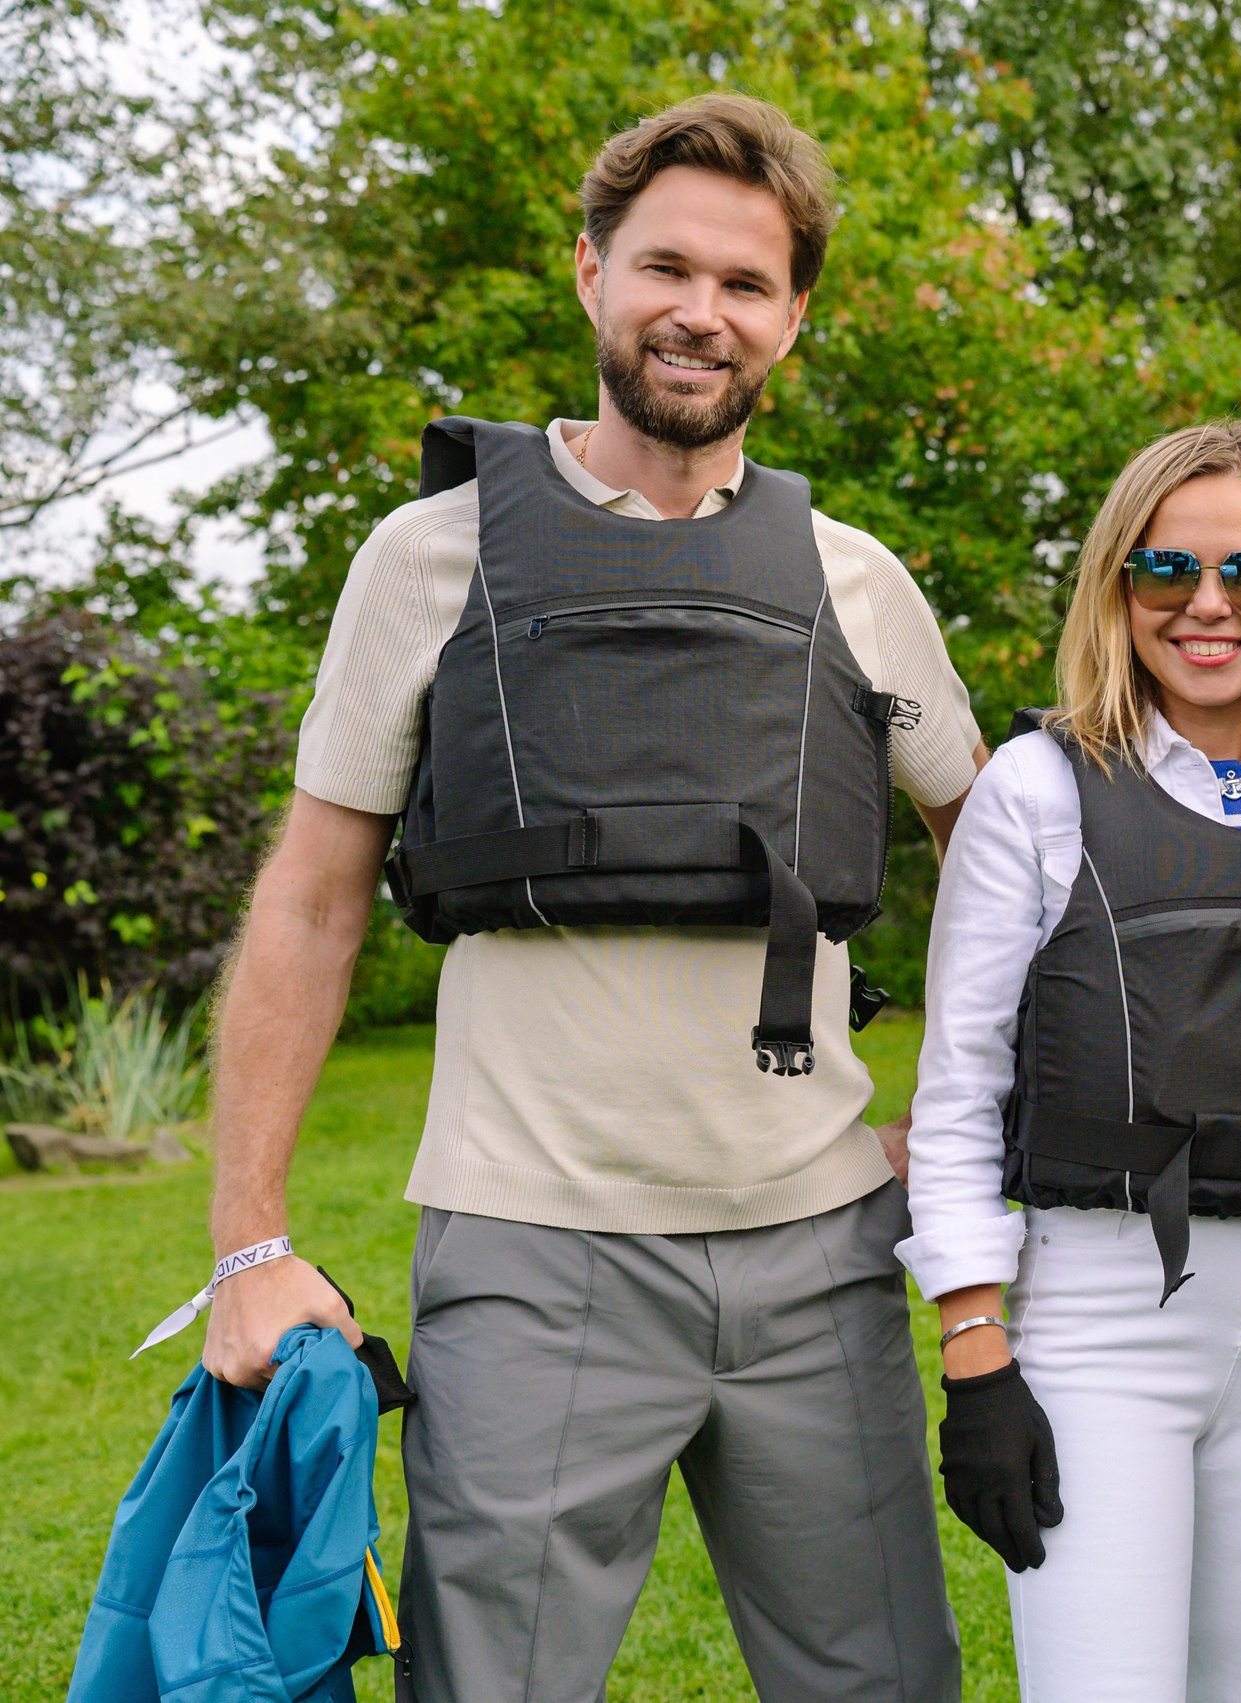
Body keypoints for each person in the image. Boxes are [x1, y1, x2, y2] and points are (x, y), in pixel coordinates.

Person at [199, 95, 988, 1701]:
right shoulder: (424, 561)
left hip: (818, 1248)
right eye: (665, 266)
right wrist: (244, 1243)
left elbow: (1001, 862)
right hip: (527, 1246)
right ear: (589, 275)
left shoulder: (858, 578)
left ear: (793, 318)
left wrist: (959, 1121)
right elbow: (309, 902)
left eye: (747, 283)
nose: (702, 310)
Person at [896, 422, 1241, 1703]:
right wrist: (975, 1349)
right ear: (1117, 586)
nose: (1210, 606)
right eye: (1167, 571)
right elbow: (957, 1098)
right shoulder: (1037, 787)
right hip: (1105, 1315)